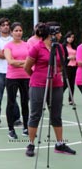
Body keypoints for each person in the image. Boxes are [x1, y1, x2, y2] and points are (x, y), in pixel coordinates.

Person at [24, 22, 76, 157]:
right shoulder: (36, 48)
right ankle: (31, 144)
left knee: (56, 115)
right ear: (51, 34)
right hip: (38, 85)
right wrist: (37, 77)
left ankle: (59, 144)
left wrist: (56, 73)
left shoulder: (59, 47)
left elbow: (60, 65)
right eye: (58, 32)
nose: (60, 35)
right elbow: (27, 67)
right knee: (35, 114)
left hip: (57, 84)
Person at [0, 17, 21, 128]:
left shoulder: (14, 38)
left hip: (12, 71)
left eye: (7, 24)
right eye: (3, 25)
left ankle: (16, 118)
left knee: (12, 96)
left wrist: (7, 55)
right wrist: (10, 56)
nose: (6, 26)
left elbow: (18, 53)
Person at [4, 22, 30, 139]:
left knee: (25, 103)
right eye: (16, 30)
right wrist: (25, 63)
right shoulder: (8, 46)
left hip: (26, 77)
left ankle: (26, 128)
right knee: (11, 103)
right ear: (11, 32)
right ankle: (11, 129)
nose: (18, 32)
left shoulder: (27, 45)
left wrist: (19, 63)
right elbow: (10, 62)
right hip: (12, 78)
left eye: (20, 30)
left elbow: (31, 61)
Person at [62, 31, 77, 105]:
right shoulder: (63, 46)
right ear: (66, 37)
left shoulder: (74, 46)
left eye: (72, 37)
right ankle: (59, 98)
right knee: (65, 83)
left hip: (74, 66)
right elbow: (61, 57)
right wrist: (68, 57)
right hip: (67, 66)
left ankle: (71, 100)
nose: (71, 39)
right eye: (69, 37)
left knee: (72, 83)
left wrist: (75, 57)